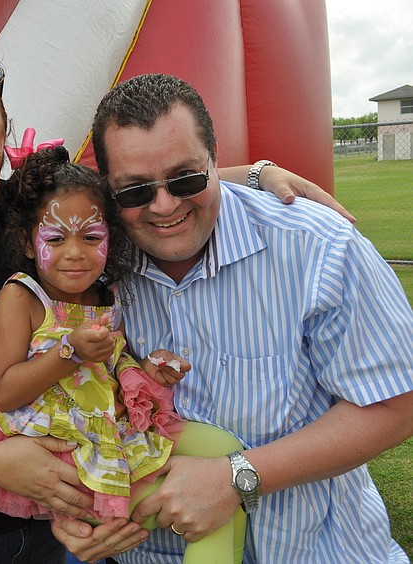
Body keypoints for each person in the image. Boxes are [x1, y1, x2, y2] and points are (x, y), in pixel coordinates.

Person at [0, 31, 357, 563]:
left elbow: (105, 197)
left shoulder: (0, 221)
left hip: (35, 528)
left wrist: (249, 177)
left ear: (1, 160)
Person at [53, 73, 413, 563]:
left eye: (186, 178)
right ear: (109, 193)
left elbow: (395, 404)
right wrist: (68, 507)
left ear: (215, 162)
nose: (164, 206)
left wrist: (239, 475)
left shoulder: (318, 246)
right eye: (135, 190)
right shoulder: (88, 258)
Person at [0, 137, 247, 563]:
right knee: (214, 506)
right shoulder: (22, 299)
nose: (75, 253)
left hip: (113, 433)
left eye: (91, 236)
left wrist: (150, 371)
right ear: (26, 241)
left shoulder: (105, 297)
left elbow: (110, 373)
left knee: (226, 457)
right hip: (65, 457)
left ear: (110, 238)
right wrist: (68, 353)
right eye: (55, 238)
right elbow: (3, 391)